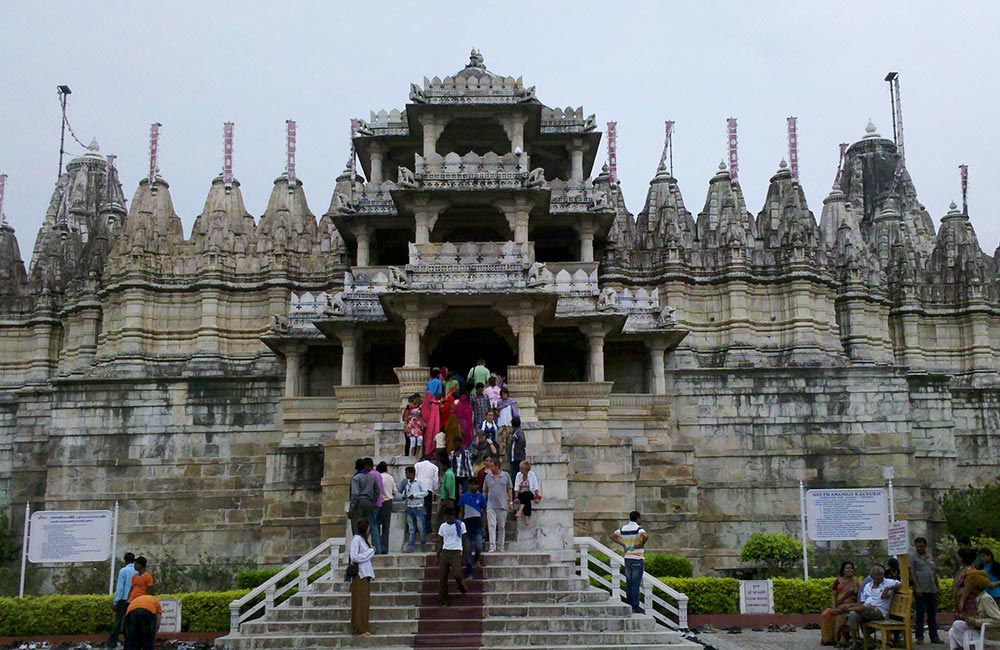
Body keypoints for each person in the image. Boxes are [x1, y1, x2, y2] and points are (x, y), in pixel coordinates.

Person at [844, 564, 900, 649]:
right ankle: (854, 643)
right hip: (865, 610)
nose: (879, 577)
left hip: (879, 612)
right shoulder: (867, 586)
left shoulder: (889, 582)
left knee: (868, 606)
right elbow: (862, 602)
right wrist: (853, 605)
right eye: (877, 575)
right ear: (871, 576)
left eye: (881, 574)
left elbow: (902, 584)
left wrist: (888, 588)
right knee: (852, 615)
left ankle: (846, 610)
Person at [948, 569, 1000, 649]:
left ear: (973, 585)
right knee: (953, 629)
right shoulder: (978, 598)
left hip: (987, 633)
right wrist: (970, 619)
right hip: (980, 629)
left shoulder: (985, 599)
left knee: (962, 630)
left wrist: (975, 621)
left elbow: (997, 620)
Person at [610, 511, 648, 615]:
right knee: (636, 583)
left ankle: (629, 603)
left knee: (629, 582)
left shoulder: (624, 528)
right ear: (638, 519)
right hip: (637, 558)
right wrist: (641, 544)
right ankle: (636, 605)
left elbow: (612, 536)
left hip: (627, 558)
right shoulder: (638, 528)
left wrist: (623, 544)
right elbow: (645, 535)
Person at [820, 561, 860, 647]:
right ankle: (827, 639)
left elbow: (859, 595)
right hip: (838, 604)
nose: (850, 570)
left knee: (841, 616)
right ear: (843, 570)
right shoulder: (838, 581)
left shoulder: (855, 581)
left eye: (851, 568)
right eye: (847, 568)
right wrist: (834, 607)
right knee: (825, 614)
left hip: (850, 605)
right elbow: (834, 595)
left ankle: (840, 638)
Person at [911, 536, 943, 645]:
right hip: (920, 589)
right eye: (917, 546)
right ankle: (919, 636)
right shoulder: (913, 558)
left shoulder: (929, 557)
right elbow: (912, 572)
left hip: (931, 589)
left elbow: (933, 573)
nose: (919, 548)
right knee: (920, 613)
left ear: (925, 546)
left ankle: (934, 636)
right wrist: (917, 586)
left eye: (921, 546)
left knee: (932, 614)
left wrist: (937, 587)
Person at [436, 506, 468, 606]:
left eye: (450, 518)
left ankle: (461, 585)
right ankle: (443, 600)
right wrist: (438, 555)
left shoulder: (461, 525)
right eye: (447, 518)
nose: (448, 520)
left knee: (457, 574)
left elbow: (464, 540)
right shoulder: (442, 526)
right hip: (445, 552)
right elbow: (440, 541)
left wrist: (464, 555)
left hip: (456, 552)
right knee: (442, 578)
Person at [349, 519, 376, 636]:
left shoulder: (363, 540)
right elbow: (354, 557)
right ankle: (359, 629)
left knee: (364, 602)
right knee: (360, 602)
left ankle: (363, 627)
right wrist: (370, 552)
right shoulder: (356, 540)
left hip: (365, 574)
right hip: (360, 574)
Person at [106, 551, 137, 648]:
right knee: (131, 622)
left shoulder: (123, 571)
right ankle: (130, 642)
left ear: (125, 560)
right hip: (135, 600)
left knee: (118, 621)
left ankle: (111, 643)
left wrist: (115, 601)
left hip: (123, 600)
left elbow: (120, 588)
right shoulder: (138, 571)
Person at [458, 477, 487, 577]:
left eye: (475, 484)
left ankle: (476, 559)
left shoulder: (481, 497)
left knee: (479, 546)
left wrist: (483, 526)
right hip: (467, 525)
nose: (473, 486)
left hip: (477, 525)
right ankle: (470, 571)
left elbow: (484, 512)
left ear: (478, 485)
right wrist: (459, 525)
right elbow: (461, 511)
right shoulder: (464, 496)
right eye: (472, 484)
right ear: (469, 485)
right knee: (468, 549)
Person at [483, 459, 513, 553]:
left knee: (501, 526)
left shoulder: (506, 476)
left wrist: (510, 502)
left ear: (498, 466)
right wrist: (483, 502)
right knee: (491, 525)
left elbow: (509, 489)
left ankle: (501, 546)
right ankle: (492, 546)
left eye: (492, 466)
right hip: (491, 505)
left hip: (503, 504)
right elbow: (485, 490)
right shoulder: (488, 477)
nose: (490, 468)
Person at [399, 466, 429, 552]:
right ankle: (411, 546)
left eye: (407, 473)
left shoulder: (419, 482)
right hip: (409, 506)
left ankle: (423, 545)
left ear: (412, 473)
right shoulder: (407, 483)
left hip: (418, 506)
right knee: (411, 528)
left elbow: (425, 492)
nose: (406, 475)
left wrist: (415, 495)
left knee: (421, 527)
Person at [348, 458, 378, 537]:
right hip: (369, 501)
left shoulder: (356, 478)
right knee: (367, 525)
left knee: (356, 524)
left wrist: (351, 508)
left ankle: (357, 541)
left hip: (359, 501)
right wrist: (373, 501)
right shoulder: (371, 477)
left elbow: (355, 494)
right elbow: (377, 490)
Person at [414, 454, 439, 533]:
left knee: (418, 508)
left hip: (419, 489)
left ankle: (418, 527)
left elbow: (415, 477)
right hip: (428, 489)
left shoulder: (417, 465)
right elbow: (435, 480)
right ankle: (428, 528)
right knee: (428, 510)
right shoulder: (434, 467)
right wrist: (435, 491)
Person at [365, 458, 385, 555]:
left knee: (372, 526)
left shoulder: (371, 475)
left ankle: (376, 548)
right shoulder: (378, 474)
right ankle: (369, 545)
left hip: (373, 503)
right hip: (379, 502)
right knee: (372, 524)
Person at [376, 461, 396, 555]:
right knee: (386, 527)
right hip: (389, 501)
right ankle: (385, 549)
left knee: (376, 525)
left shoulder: (378, 477)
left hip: (381, 502)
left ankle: (378, 546)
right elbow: (394, 491)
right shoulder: (390, 477)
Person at [513, 460, 540, 526]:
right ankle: (526, 517)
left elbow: (535, 485)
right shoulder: (518, 475)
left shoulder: (532, 474)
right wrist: (516, 497)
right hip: (521, 493)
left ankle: (520, 511)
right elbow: (516, 486)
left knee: (526, 494)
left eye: (521, 468)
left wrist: (537, 496)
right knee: (525, 498)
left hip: (529, 492)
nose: (520, 470)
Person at [956, 546, 980, 619]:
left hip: (967, 599)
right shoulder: (962, 568)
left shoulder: (970, 571)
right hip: (959, 597)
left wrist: (962, 600)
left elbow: (968, 586)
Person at [438, 450, 457, 527]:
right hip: (447, 499)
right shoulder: (448, 474)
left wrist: (445, 501)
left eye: (441, 465)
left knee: (442, 518)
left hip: (447, 500)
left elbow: (448, 488)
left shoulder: (449, 474)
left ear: (445, 465)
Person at [402, 393, 424, 457]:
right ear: (413, 399)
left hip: (417, 424)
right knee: (413, 440)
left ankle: (417, 453)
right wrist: (405, 425)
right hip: (410, 424)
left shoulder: (420, 406)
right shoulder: (409, 406)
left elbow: (420, 416)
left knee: (420, 438)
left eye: (418, 400)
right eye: (416, 399)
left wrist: (422, 423)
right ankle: (412, 454)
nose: (417, 401)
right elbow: (406, 416)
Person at [421, 391, 442, 457]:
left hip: (426, 425)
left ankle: (426, 452)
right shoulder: (434, 404)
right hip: (431, 426)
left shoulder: (426, 405)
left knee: (427, 439)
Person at [508, 417, 526, 483]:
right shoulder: (516, 432)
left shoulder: (517, 432)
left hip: (517, 458)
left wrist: (518, 448)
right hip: (516, 458)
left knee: (515, 477)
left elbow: (522, 440)